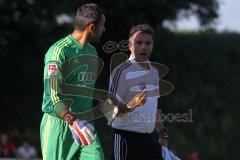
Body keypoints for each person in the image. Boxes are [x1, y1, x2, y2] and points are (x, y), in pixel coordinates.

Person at [40, 3, 106, 160]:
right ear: (91, 27)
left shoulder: (92, 52)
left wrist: (105, 103)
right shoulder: (59, 51)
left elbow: (83, 91)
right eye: (103, 25)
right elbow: (53, 97)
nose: (104, 29)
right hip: (59, 126)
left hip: (85, 126)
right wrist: (73, 121)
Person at [109, 24, 164, 160]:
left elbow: (153, 107)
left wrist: (163, 133)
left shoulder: (154, 71)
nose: (144, 47)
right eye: (139, 43)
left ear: (152, 45)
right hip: (126, 138)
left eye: (148, 43)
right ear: (130, 46)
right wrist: (130, 106)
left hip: (149, 140)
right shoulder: (121, 71)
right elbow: (111, 110)